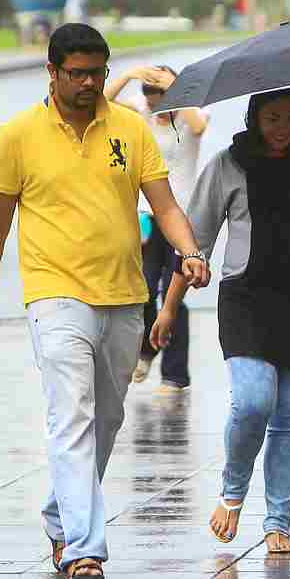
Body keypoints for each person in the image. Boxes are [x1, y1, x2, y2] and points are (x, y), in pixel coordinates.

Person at [0, 24, 210, 579]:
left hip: (124, 295)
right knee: (71, 414)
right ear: (52, 72)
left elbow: (165, 206)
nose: (89, 83)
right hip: (54, 294)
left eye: (97, 73)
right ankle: (83, 550)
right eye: (77, 73)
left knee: (106, 418)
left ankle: (60, 516)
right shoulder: (17, 136)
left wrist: (190, 251)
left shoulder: (130, 128)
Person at [152, 87, 290, 555]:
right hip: (246, 301)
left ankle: (278, 524)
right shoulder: (228, 164)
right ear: (254, 117)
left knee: (289, 417)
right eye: (272, 118)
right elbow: (194, 240)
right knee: (252, 403)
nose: (282, 128)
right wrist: (169, 307)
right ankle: (232, 491)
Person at [104, 65, 209, 392]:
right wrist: (130, 75)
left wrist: (177, 89)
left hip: (182, 219)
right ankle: (147, 350)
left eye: (160, 98)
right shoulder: (142, 113)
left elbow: (199, 127)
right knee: (144, 290)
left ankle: (174, 375)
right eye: (150, 99)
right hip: (147, 216)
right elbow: (103, 101)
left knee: (174, 294)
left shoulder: (189, 115)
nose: (155, 106)